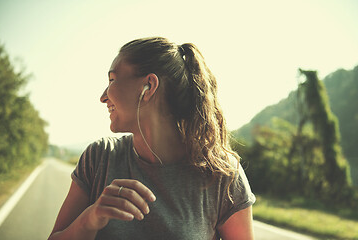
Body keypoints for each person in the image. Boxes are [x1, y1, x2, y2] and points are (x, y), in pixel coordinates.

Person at [48, 37, 256, 240]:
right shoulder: (99, 158)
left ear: (149, 86)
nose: (103, 96)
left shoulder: (221, 174)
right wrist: (90, 219)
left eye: (112, 80)